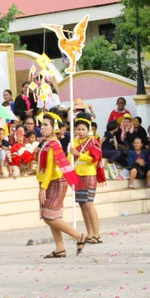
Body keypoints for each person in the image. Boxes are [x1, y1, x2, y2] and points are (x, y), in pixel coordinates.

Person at [37, 110, 85, 258]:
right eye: (42, 125)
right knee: (51, 216)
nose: (42, 128)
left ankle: (79, 236)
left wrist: (43, 188)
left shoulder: (53, 144)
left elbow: (50, 168)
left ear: (53, 128)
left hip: (55, 182)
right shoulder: (49, 143)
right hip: (51, 181)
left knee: (49, 217)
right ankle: (60, 248)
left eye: (45, 125)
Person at [70, 113, 105, 245]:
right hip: (77, 175)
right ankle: (89, 233)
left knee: (89, 204)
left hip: (89, 175)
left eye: (83, 129)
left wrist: (79, 155)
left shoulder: (92, 142)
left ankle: (97, 234)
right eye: (78, 129)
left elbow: (95, 160)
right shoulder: (73, 142)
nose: (80, 131)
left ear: (88, 129)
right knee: (82, 205)